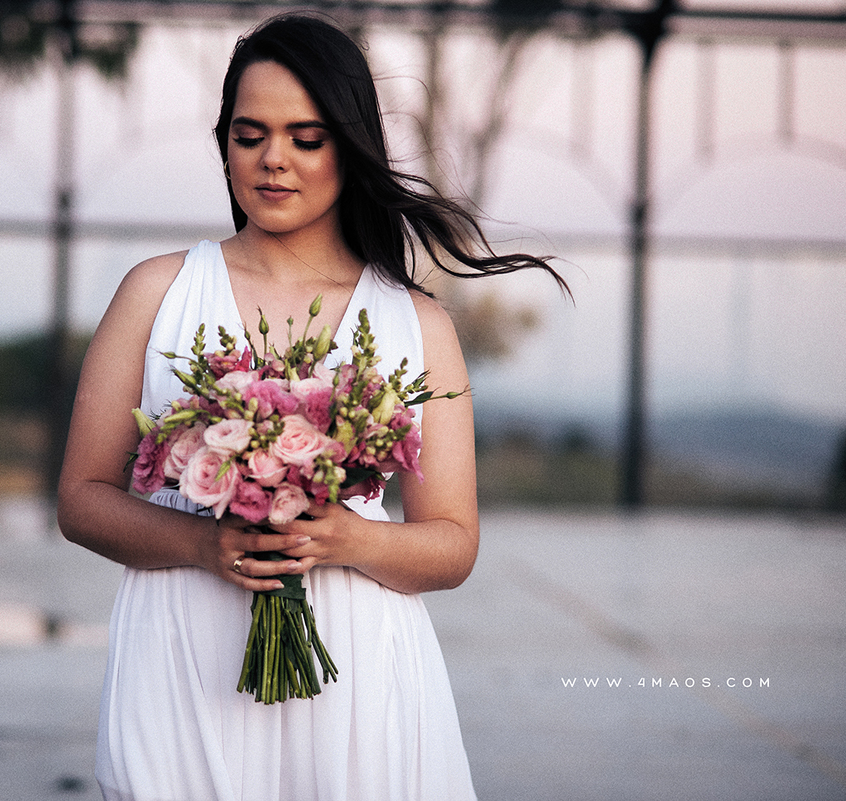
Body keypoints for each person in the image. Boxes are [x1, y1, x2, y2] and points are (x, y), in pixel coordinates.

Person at [57, 13, 566, 801]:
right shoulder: (155, 293)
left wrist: (347, 536)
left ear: (348, 146)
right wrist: (202, 545)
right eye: (249, 133)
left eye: (306, 137)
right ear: (223, 140)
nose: (273, 161)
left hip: (355, 673)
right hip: (184, 653)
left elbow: (454, 543)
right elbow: (81, 499)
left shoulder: (417, 323)